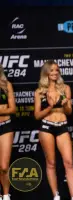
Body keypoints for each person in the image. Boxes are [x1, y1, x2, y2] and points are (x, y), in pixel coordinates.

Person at [34, 60, 73, 200]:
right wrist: (49, 106)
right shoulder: (40, 92)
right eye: (52, 70)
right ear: (46, 72)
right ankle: (56, 195)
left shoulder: (65, 88)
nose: (55, 73)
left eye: (57, 70)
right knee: (51, 163)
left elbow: (69, 112)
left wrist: (65, 104)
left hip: (62, 126)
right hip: (46, 126)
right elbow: (37, 115)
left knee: (69, 162)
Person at [0, 64, 16, 200]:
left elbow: (12, 109)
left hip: (5, 126)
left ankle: (6, 195)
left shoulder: (6, 85)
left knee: (4, 166)